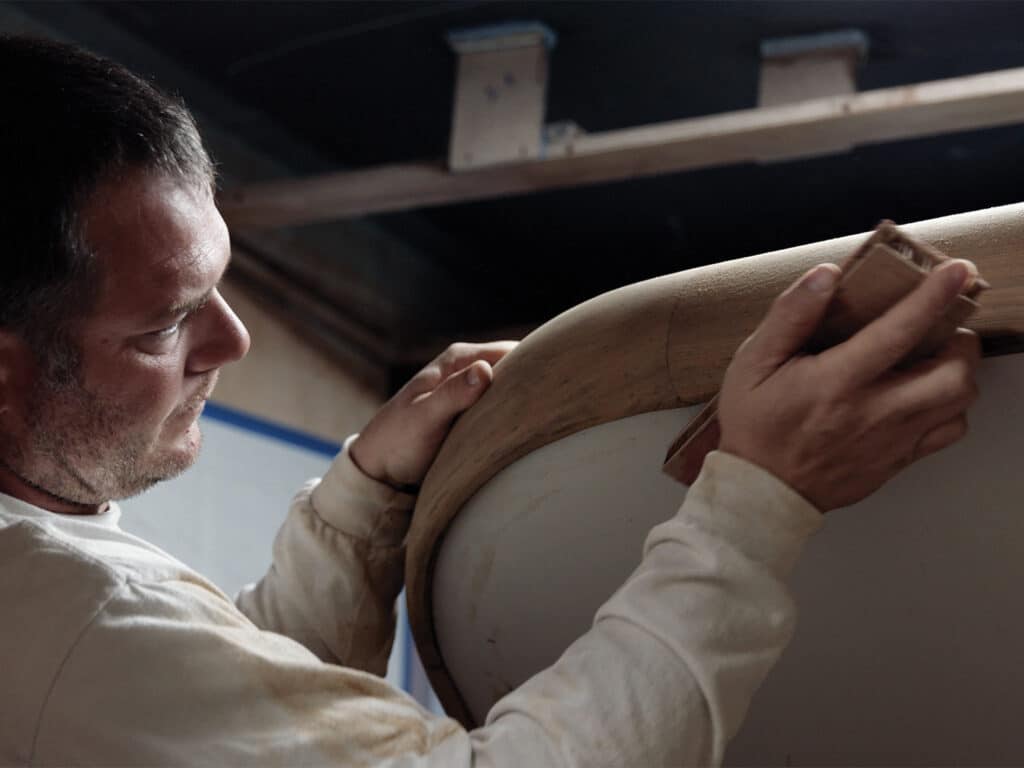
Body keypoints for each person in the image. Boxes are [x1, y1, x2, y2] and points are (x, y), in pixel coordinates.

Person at [0, 36, 981, 767]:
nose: (233, 342)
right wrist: (761, 501)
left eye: (221, 283)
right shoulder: (63, 617)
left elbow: (202, 722)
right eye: (163, 325)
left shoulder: (59, 626)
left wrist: (358, 507)